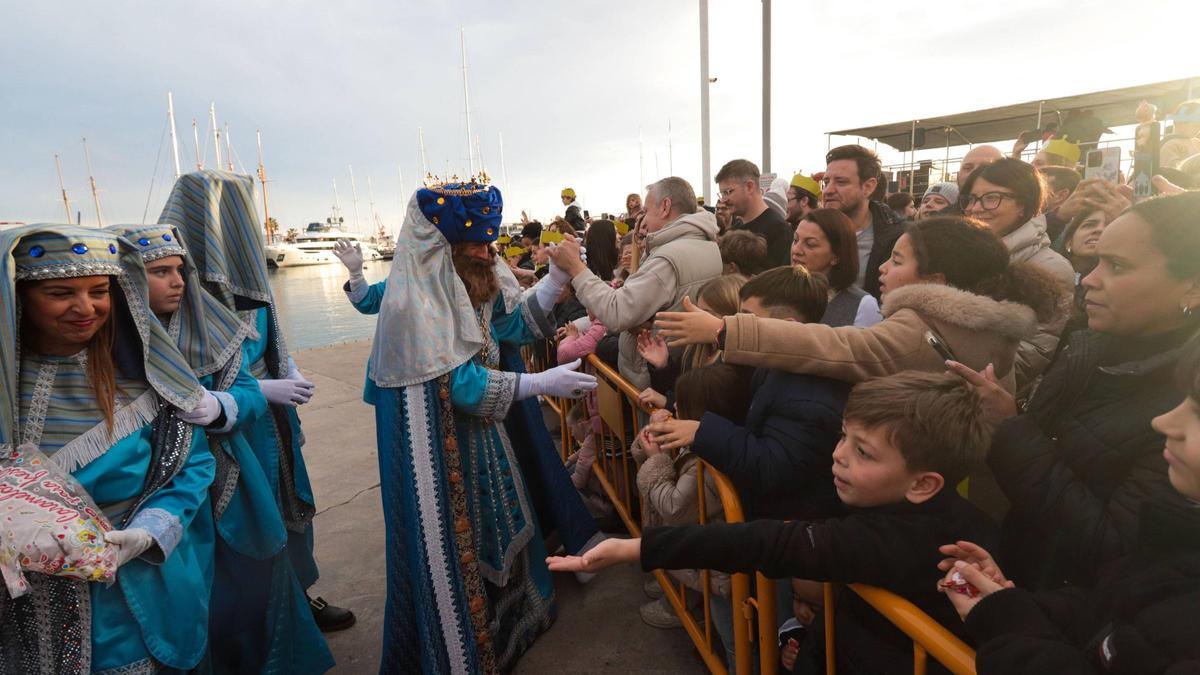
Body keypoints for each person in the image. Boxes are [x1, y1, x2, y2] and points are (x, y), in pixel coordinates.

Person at [547, 371, 1000, 674]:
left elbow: (767, 542)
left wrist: (635, 548)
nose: (839, 454)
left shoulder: (893, 539)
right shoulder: (955, 521)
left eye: (864, 452)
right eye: (845, 436)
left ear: (923, 484)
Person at [336, 177, 597, 672]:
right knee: (460, 548)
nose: (487, 252)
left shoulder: (475, 271)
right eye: (475, 242)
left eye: (489, 241)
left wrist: (559, 279)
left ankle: (516, 622)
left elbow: (511, 323)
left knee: (502, 521)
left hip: (486, 433)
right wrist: (539, 385)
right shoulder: (416, 299)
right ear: (442, 246)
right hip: (444, 446)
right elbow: (461, 385)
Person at [948, 191, 1200, 590]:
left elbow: (1113, 547)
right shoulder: (1090, 345)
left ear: (1192, 287)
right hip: (1024, 583)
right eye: (1096, 261)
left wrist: (1012, 429)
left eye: (1117, 266)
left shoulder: (1187, 407)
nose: (1091, 279)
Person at [110, 223, 331, 672]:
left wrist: (222, 404)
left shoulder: (208, 325)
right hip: (149, 504)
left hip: (227, 480)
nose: (176, 282)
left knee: (249, 585)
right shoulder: (110, 346)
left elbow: (246, 391)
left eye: (179, 270)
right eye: (159, 272)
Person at [0, 225, 216, 673]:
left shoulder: (147, 375)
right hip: (26, 599)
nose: (86, 308)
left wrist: (151, 531)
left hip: (144, 579)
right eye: (61, 293)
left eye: (99, 291)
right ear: (19, 297)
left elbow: (192, 465)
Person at [159, 170, 355, 638]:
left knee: (292, 509)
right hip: (229, 434)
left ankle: (300, 597)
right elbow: (180, 380)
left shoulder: (252, 284)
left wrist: (290, 372)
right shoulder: (177, 294)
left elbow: (275, 341)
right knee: (246, 521)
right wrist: (255, 393)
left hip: (276, 424)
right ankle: (257, 622)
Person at [936, 338, 1200, 673]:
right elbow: (1110, 614)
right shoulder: (1178, 534)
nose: (1162, 422)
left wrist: (1005, 622)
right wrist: (1011, 604)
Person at [655, 216, 1063, 395]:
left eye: (898, 261)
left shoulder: (922, 331)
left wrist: (725, 330)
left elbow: (838, 347)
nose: (883, 268)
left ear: (936, 281)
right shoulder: (983, 328)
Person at [649, 265, 849, 521]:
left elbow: (771, 467)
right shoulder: (773, 365)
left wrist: (702, 431)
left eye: (746, 317)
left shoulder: (808, 393)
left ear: (787, 327)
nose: (734, 324)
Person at [548, 176, 722, 390]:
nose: (645, 220)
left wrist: (575, 267)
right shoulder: (706, 244)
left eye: (647, 211)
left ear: (665, 207)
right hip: (680, 373)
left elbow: (617, 312)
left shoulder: (668, 258)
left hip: (655, 377)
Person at [633, 363, 750, 629]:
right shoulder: (702, 447)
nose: (673, 408)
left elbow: (673, 509)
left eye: (680, 406)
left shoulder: (706, 467)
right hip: (708, 561)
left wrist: (657, 459)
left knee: (731, 635)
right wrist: (654, 438)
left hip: (716, 572)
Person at [961, 157, 1073, 394]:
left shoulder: (1051, 268)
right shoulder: (961, 252)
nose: (976, 208)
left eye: (992, 198)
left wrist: (953, 368)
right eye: (972, 199)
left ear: (1024, 204)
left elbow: (1032, 354)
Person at [636, 274, 747, 412]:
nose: (695, 317)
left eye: (705, 313)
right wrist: (663, 366)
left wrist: (667, 403)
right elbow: (679, 389)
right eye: (696, 310)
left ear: (730, 316)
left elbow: (708, 417)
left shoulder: (737, 364)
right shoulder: (696, 347)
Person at [820, 145, 905, 299]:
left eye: (840, 182)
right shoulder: (808, 230)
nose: (828, 190)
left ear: (868, 186)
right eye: (826, 182)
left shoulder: (897, 239)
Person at [789, 208, 882, 327]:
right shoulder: (777, 292)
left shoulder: (861, 305)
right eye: (795, 240)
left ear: (836, 256)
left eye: (810, 244)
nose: (796, 250)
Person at [716, 159, 791, 267]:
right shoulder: (734, 230)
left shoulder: (779, 230)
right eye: (722, 194)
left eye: (727, 192)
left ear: (749, 187)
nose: (723, 200)